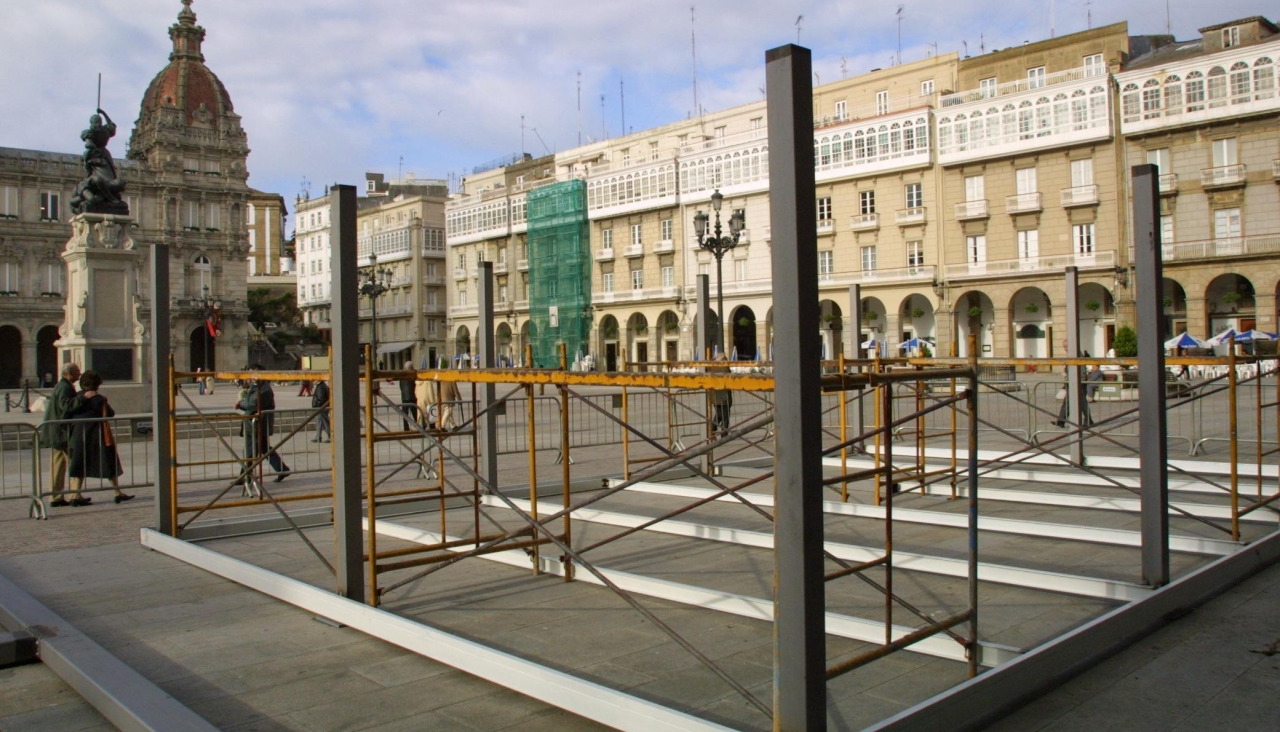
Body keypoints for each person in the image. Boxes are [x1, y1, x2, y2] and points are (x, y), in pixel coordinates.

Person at [65, 370, 133, 505]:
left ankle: (76, 494)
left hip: (78, 435)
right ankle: (117, 492)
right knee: (109, 463)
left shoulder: (77, 397)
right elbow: (110, 413)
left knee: (79, 464)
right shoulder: (99, 399)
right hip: (98, 436)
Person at [235, 364, 291, 486]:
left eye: (254, 373)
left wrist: (241, 404)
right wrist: (243, 403)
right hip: (252, 423)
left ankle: (245, 476)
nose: (252, 376)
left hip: (259, 424)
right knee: (262, 448)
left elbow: (253, 403)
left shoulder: (265, 389)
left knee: (251, 450)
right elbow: (250, 401)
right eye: (250, 373)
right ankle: (282, 469)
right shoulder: (255, 386)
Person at [40, 362, 81, 507]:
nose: (79, 373)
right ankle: (75, 495)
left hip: (56, 431)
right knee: (74, 462)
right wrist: (83, 399)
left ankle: (55, 496)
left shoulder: (62, 385)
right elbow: (66, 405)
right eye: (77, 371)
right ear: (68, 374)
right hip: (62, 432)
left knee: (57, 464)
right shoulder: (65, 387)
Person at [709, 353, 732, 436]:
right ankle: (715, 429)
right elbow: (729, 376)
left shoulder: (711, 366)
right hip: (723, 394)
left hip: (715, 394)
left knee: (721, 413)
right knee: (724, 414)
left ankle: (715, 429)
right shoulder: (723, 367)